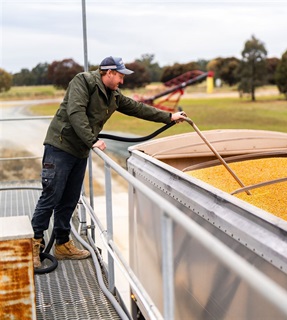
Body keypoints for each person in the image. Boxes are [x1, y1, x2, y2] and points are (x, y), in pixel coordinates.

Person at [31, 56, 187, 268]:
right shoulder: (83, 81)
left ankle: (62, 244)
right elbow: (75, 112)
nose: (121, 81)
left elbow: (137, 108)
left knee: (68, 199)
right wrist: (92, 140)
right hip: (60, 147)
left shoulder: (113, 95)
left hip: (79, 151)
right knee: (51, 197)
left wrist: (169, 117)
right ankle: (34, 246)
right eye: (120, 76)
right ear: (109, 72)